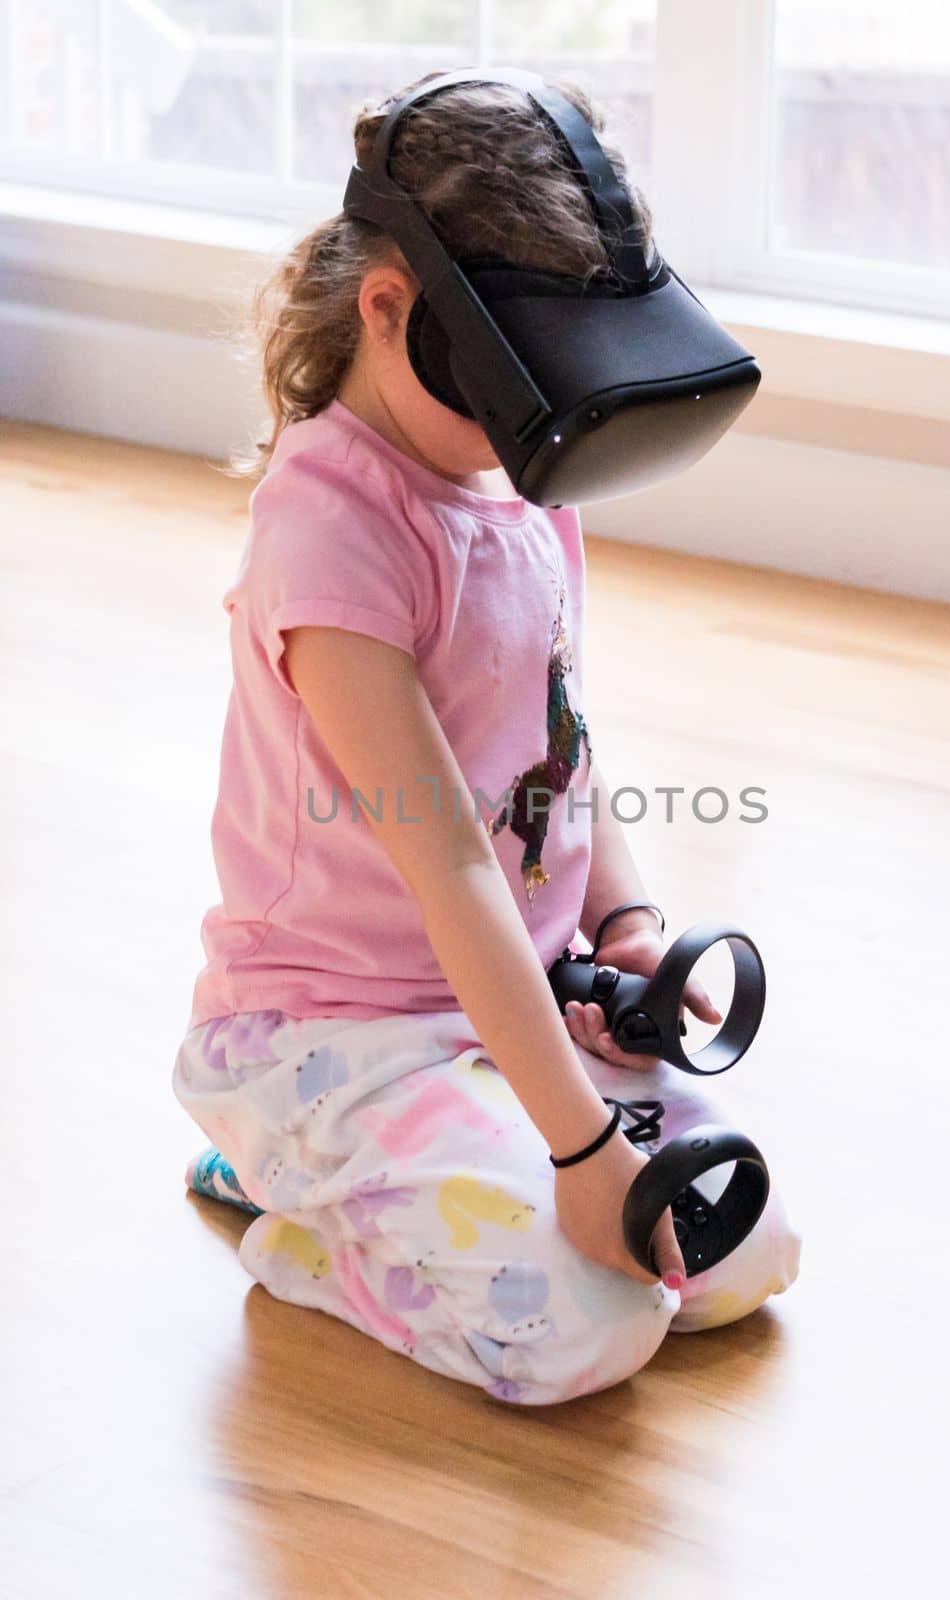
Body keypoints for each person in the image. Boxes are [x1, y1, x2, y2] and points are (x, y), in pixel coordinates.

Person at [172, 70, 802, 1407]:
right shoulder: (332, 538)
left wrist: (623, 924)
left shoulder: (517, 485)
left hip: (506, 1003)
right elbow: (454, 866)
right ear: (388, 312)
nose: (543, 435)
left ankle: (391, 1177)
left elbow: (563, 746)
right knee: (591, 1329)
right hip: (335, 1039)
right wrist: (581, 1156)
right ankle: (299, 1213)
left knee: (744, 1252)